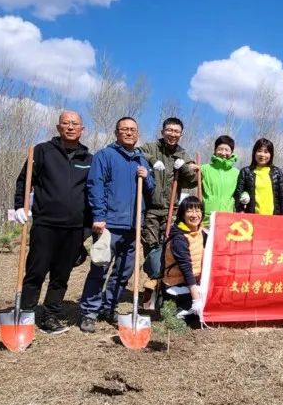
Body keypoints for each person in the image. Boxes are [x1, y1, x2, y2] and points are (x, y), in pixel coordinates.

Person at [13, 110, 92, 334]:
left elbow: (92, 194)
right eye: (65, 123)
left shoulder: (88, 159)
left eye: (75, 124)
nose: (70, 127)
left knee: (61, 275)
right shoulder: (42, 151)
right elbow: (23, 181)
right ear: (58, 127)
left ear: (81, 129)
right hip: (45, 224)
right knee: (36, 271)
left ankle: (50, 315)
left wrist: (87, 229)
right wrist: (20, 205)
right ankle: (26, 313)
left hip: (74, 228)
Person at [79, 117, 154, 333]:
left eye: (133, 129)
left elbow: (151, 189)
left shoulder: (141, 159)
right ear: (117, 132)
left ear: (138, 133)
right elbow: (95, 186)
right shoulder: (105, 156)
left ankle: (108, 306)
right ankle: (89, 311)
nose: (129, 133)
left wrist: (147, 177)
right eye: (124, 129)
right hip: (109, 224)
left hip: (133, 226)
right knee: (99, 268)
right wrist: (99, 216)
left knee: (124, 271)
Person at [140, 117, 199, 303]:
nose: (172, 134)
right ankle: (152, 284)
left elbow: (192, 180)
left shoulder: (182, 153)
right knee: (151, 247)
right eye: (169, 130)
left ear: (181, 134)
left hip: (171, 210)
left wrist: (185, 169)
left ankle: (164, 289)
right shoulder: (151, 148)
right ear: (163, 131)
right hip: (151, 208)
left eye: (176, 131)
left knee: (168, 249)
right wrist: (151, 161)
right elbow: (137, 154)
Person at [162, 196, 207, 318]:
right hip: (177, 283)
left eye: (198, 211)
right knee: (188, 316)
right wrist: (196, 300)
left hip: (194, 282)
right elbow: (186, 269)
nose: (195, 215)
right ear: (182, 214)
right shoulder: (179, 238)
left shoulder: (201, 233)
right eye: (190, 211)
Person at [234, 138, 283, 215]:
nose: (262, 155)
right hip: (252, 220)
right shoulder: (245, 172)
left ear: (271, 155)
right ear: (254, 153)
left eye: (266, 152)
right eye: (259, 151)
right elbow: (238, 195)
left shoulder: (277, 173)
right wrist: (241, 211)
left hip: (274, 219)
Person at [201, 135, 239, 227]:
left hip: (228, 218)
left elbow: (240, 192)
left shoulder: (237, 173)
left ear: (232, 152)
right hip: (207, 218)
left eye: (227, 150)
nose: (223, 153)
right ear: (215, 150)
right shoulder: (204, 169)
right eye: (220, 149)